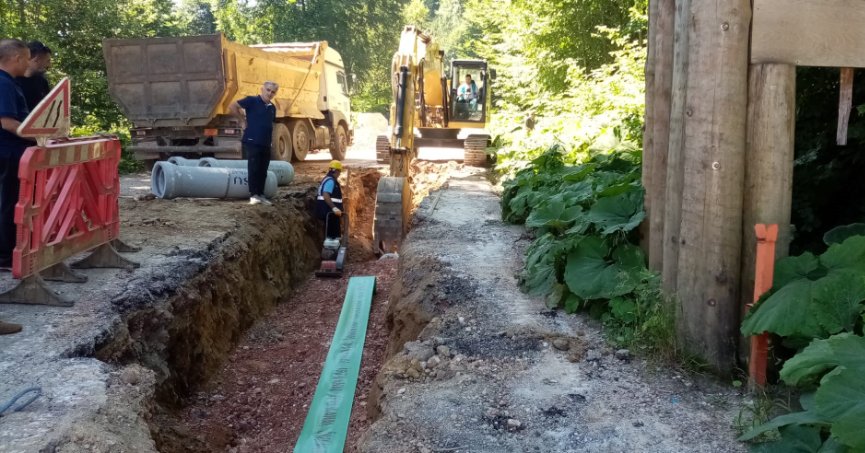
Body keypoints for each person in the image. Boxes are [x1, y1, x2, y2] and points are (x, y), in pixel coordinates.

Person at [0, 39, 33, 336]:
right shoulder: (5, 84)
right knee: (8, 204)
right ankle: (6, 252)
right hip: (8, 152)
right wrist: (38, 135)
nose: (28, 64)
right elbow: (9, 122)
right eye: (26, 59)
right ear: (16, 57)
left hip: (8, 152)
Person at [228, 81, 279, 205]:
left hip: (266, 143)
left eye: (273, 92)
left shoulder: (272, 107)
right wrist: (242, 121)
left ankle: (261, 194)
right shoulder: (252, 101)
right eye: (268, 90)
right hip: (252, 141)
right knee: (254, 168)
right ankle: (254, 195)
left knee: (263, 169)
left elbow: (270, 124)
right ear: (262, 89)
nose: (270, 93)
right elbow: (232, 106)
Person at [16, 41, 51, 110]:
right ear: (36, 59)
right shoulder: (12, 80)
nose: (49, 65)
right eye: (48, 61)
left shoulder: (43, 82)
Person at [315, 160, 343, 240]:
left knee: (331, 232)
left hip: (329, 212)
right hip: (329, 212)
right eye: (339, 171)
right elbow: (325, 195)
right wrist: (334, 208)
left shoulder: (327, 179)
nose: (340, 174)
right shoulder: (331, 181)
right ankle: (331, 249)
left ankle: (332, 247)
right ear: (336, 171)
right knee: (332, 234)